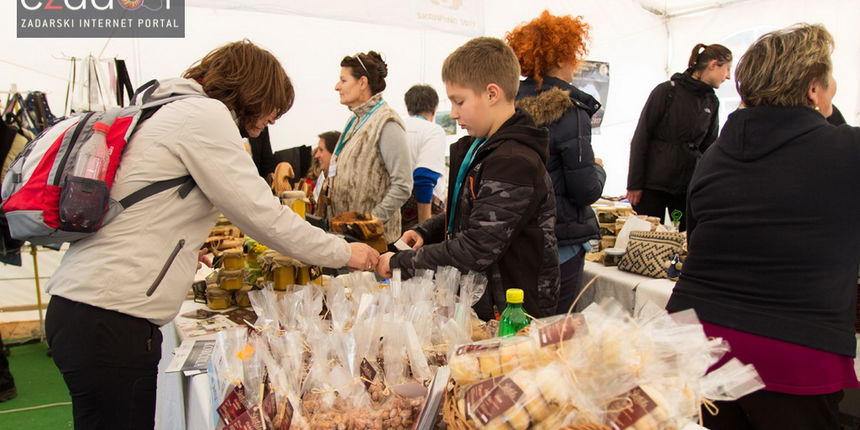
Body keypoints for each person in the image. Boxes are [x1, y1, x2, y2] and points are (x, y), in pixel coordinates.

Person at [43, 41, 379, 430]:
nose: (272, 121)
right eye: (274, 108)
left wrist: (183, 248)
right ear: (255, 91)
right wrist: (342, 252)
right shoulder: (204, 116)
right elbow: (261, 215)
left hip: (93, 310)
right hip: (110, 319)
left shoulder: (170, 109)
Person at [665, 24, 858, 429]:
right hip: (793, 351)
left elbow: (695, 239)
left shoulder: (716, 154)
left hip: (697, 341)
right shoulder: (847, 151)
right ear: (812, 89)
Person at [377, 37, 560, 321]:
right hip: (484, 299)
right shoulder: (483, 147)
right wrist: (427, 231)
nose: (452, 113)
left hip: (512, 311)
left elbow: (478, 247)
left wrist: (401, 262)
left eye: (459, 101)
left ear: (491, 93)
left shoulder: (512, 161)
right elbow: (474, 213)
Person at [507, 10, 606, 314]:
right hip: (560, 239)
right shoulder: (571, 110)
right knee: (556, 334)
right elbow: (585, 189)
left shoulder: (507, 104)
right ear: (562, 57)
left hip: (516, 236)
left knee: (519, 326)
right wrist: (599, 169)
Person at [626, 43, 732, 230]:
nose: (729, 76)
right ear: (713, 64)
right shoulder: (667, 91)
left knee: (684, 240)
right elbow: (641, 136)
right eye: (727, 69)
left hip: (686, 188)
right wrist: (634, 184)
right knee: (645, 240)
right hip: (652, 187)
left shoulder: (711, 102)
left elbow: (709, 148)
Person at [326, 51, 412, 244]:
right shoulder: (355, 120)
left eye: (343, 80)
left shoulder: (387, 122)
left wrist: (371, 222)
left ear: (362, 83)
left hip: (374, 241)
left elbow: (403, 185)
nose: (337, 86)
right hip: (348, 238)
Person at [401, 84, 447, 232]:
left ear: (408, 106)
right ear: (434, 108)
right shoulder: (433, 131)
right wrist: (424, 227)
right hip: (422, 207)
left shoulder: (397, 127)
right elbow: (424, 178)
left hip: (396, 209)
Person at [311, 130, 339, 215]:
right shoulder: (323, 181)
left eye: (321, 150)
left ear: (333, 152)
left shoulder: (342, 186)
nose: (316, 155)